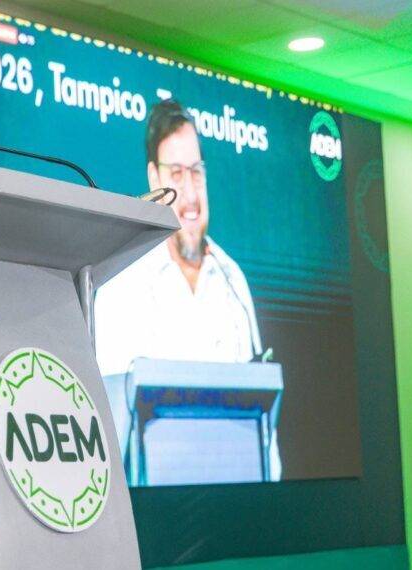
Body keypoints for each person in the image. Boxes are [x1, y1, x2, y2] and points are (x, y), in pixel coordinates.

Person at [95, 99, 280, 481]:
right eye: (176, 173)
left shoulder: (233, 281)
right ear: (153, 178)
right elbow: (107, 436)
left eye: (196, 172)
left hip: (236, 505)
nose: (191, 193)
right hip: (155, 517)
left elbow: (264, 422)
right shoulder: (122, 283)